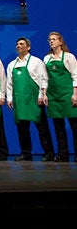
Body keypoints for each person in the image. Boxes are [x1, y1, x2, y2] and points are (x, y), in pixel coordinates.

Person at [6, 37, 55, 161]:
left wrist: (41, 95)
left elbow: (43, 79)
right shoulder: (12, 64)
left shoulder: (36, 62)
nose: (18, 46)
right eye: (17, 44)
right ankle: (25, 153)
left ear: (28, 47)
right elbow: (9, 84)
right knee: (22, 129)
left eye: (21, 44)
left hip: (34, 100)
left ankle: (48, 152)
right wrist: (10, 98)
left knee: (42, 128)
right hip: (20, 101)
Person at [43, 32, 77, 162]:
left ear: (60, 42)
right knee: (58, 128)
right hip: (53, 95)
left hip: (68, 94)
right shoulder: (47, 59)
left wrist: (75, 94)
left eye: (54, 39)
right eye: (49, 39)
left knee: (75, 126)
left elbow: (75, 75)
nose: (51, 41)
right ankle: (63, 154)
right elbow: (45, 78)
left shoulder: (69, 57)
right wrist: (45, 94)